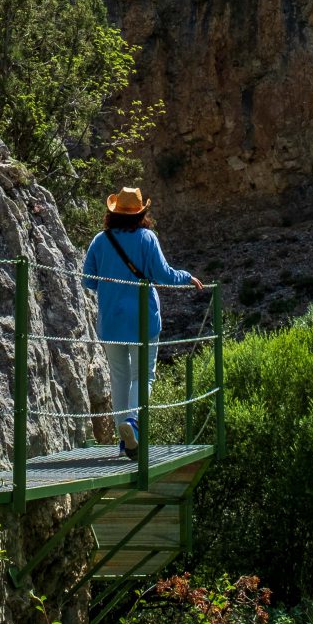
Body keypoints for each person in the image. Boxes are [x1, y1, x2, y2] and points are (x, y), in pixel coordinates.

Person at [81, 187, 204, 459]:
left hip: (111, 321)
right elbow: (163, 274)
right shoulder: (147, 238)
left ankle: (124, 441)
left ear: (112, 213)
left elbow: (87, 280)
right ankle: (133, 425)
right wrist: (187, 277)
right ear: (141, 213)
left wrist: (110, 281)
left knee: (119, 376)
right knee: (143, 375)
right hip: (143, 320)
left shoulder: (100, 241)